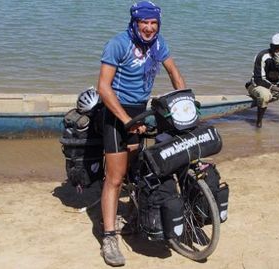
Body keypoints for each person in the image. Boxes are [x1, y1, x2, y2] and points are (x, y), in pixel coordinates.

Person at [97, 1, 186, 266]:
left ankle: (137, 215)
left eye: (153, 23)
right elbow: (103, 87)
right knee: (115, 177)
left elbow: (174, 73)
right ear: (135, 22)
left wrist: (184, 104)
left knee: (136, 169)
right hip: (116, 114)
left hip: (139, 113)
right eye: (144, 23)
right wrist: (126, 121)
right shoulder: (118, 44)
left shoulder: (158, 45)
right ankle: (109, 237)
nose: (148, 28)